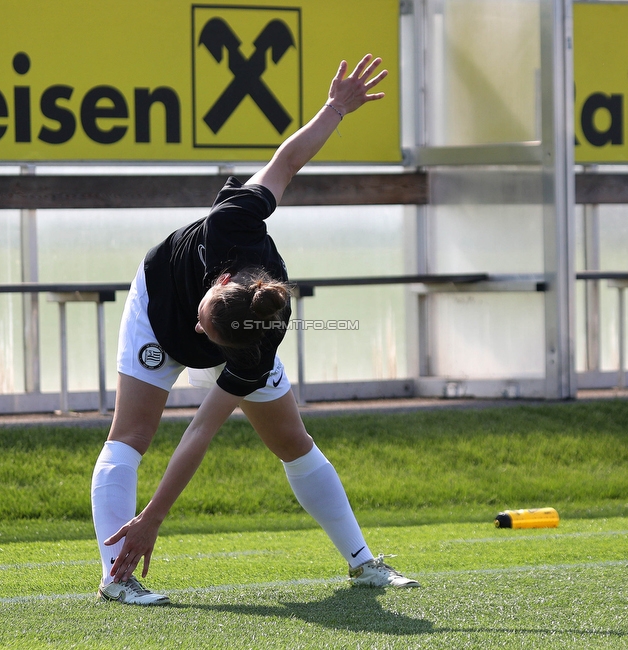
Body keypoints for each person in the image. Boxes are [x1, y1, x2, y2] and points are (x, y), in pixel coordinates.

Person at [90, 54, 420, 606]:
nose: (202, 335)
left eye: (210, 338)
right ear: (218, 278)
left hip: (234, 333)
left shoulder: (256, 345)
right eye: (205, 317)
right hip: (157, 302)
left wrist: (155, 517)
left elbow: (200, 430)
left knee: (291, 440)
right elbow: (285, 164)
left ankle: (364, 564)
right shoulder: (232, 221)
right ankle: (116, 578)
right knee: (130, 436)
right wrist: (335, 109)